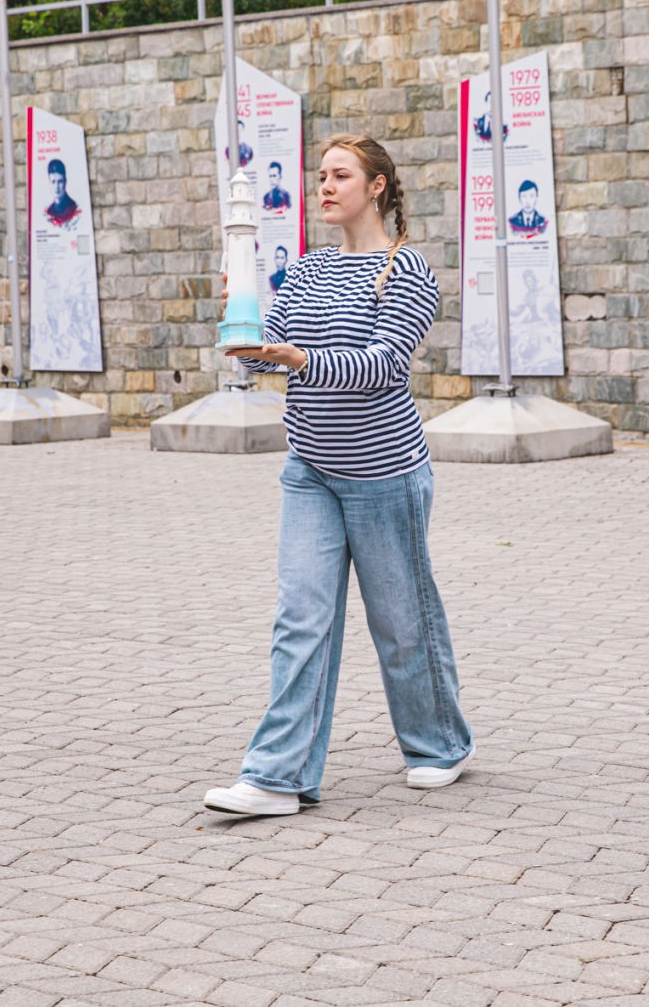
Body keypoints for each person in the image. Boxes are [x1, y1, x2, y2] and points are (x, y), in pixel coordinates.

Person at [203, 133, 474, 817]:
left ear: (376, 186)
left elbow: (382, 366)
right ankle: (278, 777)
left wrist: (298, 360)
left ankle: (440, 745)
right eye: (321, 175)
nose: (324, 186)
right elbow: (267, 349)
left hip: (386, 476)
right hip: (311, 471)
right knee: (300, 620)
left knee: (403, 624)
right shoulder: (309, 269)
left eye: (340, 175)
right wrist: (244, 326)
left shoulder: (405, 270)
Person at [46, 158, 79, 226]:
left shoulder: (75, 210)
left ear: (65, 182)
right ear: (49, 183)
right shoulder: (48, 212)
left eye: (60, 181)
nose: (56, 186)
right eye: (53, 182)